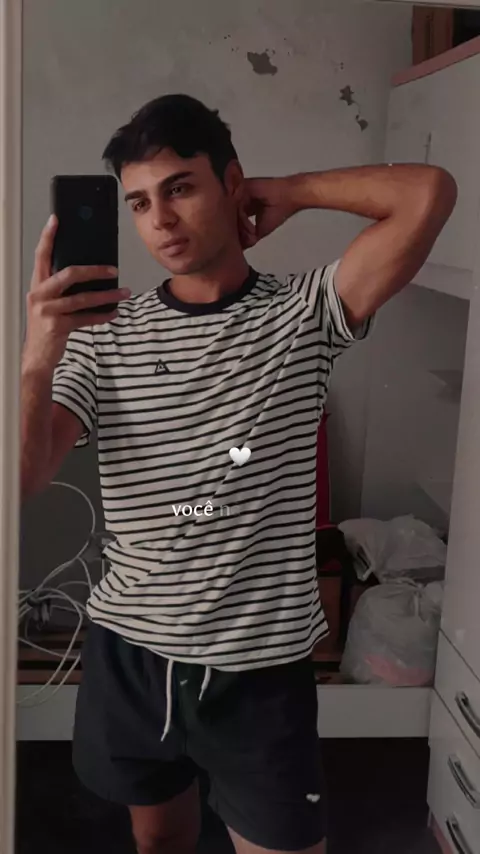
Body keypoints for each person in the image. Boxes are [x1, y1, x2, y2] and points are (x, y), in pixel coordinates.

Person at [20, 93, 457, 854]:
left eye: (181, 188)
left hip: (260, 672)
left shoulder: (304, 313)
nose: (160, 220)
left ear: (230, 183)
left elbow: (428, 193)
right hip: (133, 656)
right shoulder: (101, 337)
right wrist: (35, 359)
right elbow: (23, 480)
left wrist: (286, 191)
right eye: (139, 203)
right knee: (160, 843)